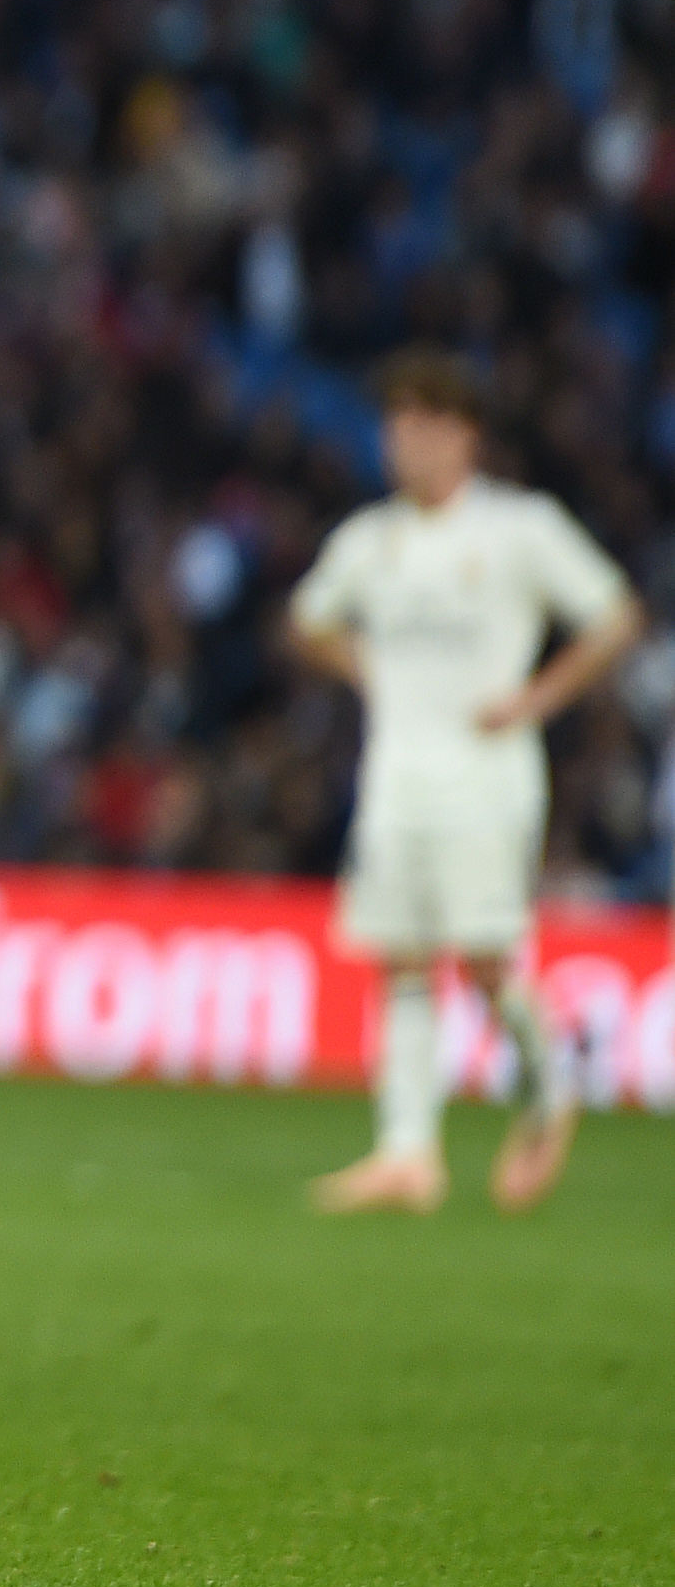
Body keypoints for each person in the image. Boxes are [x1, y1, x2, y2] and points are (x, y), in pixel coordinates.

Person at [288, 350, 642, 1217]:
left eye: (422, 426)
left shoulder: (519, 528)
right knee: (401, 961)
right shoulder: (372, 540)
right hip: (396, 774)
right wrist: (365, 669)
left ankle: (551, 1085)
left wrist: (535, 699)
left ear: (464, 436)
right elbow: (307, 620)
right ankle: (407, 1155)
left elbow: (614, 616)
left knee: (484, 961)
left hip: (487, 776)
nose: (404, 444)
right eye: (394, 427)